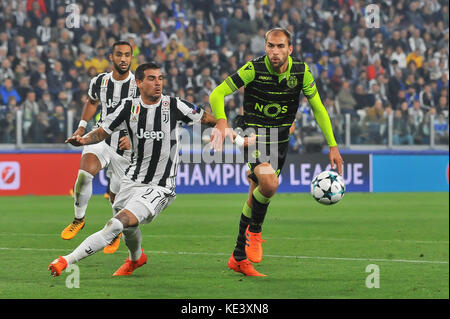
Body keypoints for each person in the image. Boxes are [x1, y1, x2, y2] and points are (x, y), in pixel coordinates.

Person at [49, 62, 220, 277]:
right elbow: (102, 132)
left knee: (116, 224)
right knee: (128, 227)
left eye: (160, 78)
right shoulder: (129, 107)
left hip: (160, 186)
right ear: (139, 82)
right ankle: (136, 258)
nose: (158, 83)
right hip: (131, 180)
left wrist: (231, 133)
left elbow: (210, 120)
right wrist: (83, 140)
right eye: (151, 78)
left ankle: (66, 260)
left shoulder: (175, 105)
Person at [209, 28, 343, 276]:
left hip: (280, 139)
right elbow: (217, 93)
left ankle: (239, 256)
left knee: (257, 193)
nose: (274, 51)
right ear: (265, 47)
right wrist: (222, 122)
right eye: (270, 46)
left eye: (280, 46)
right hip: (252, 134)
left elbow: (318, 108)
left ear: (290, 49)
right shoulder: (253, 69)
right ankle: (256, 231)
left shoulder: (301, 72)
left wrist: (332, 144)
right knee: (269, 185)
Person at [60, 41, 138, 256]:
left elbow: (148, 116)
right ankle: (79, 219)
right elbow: (92, 102)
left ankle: (115, 232)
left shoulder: (139, 85)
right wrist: (81, 128)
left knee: (116, 198)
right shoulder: (100, 81)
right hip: (100, 137)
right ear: (111, 57)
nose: (123, 59)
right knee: (85, 174)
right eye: (119, 55)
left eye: (127, 55)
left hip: (125, 146)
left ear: (131, 58)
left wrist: (134, 139)